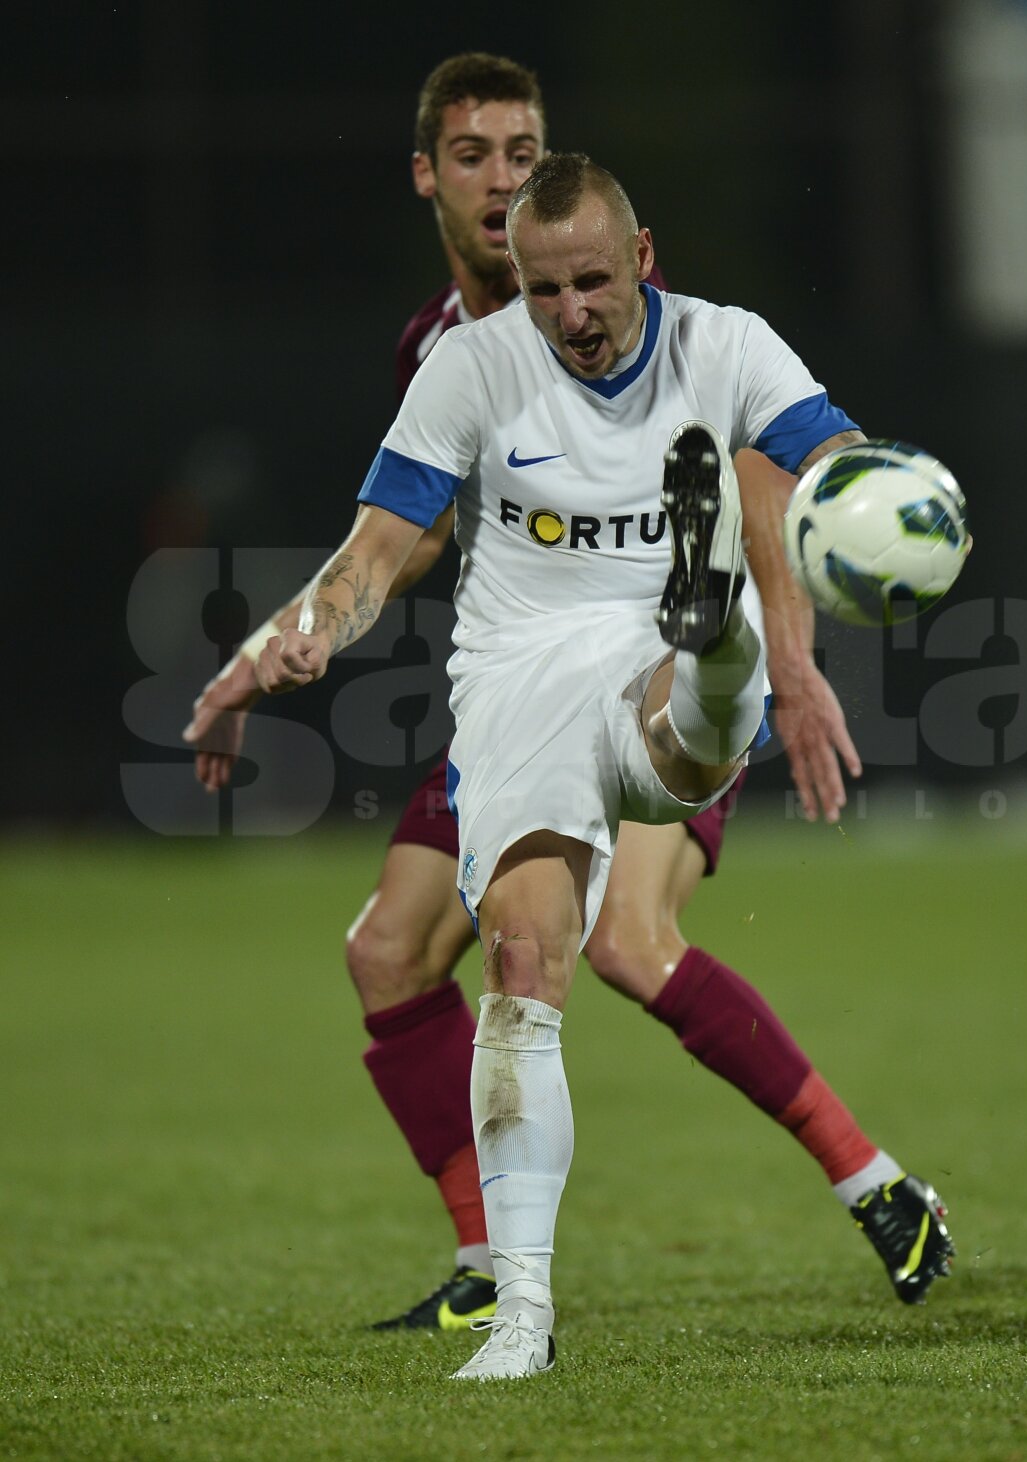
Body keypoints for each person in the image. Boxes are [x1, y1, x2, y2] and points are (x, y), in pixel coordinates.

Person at [243, 149, 953, 1381]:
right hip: (517, 675)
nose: (569, 313)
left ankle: (711, 645)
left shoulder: (728, 348)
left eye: (590, 283)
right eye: (541, 290)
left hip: (650, 653)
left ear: (641, 257)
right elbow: (385, 535)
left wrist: (826, 580)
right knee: (526, 956)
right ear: (514, 281)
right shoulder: (472, 364)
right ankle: (521, 1315)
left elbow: (819, 467)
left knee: (673, 754)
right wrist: (321, 618)